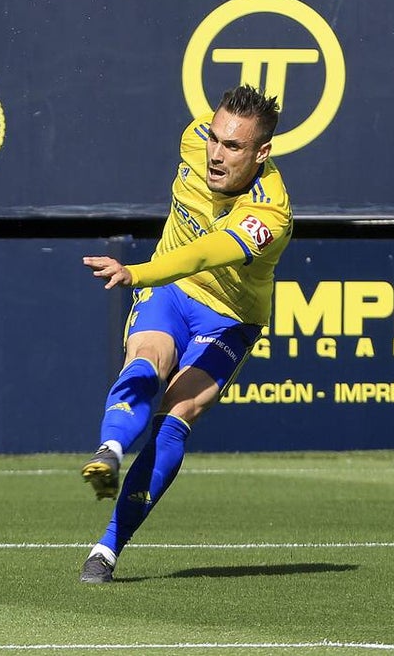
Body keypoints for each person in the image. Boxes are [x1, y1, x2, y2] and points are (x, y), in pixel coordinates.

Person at [77, 85, 292, 584]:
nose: (216, 153)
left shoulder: (270, 214)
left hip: (230, 316)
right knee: (147, 360)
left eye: (233, 146)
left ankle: (107, 548)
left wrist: (136, 271)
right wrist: (150, 278)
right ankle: (109, 451)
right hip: (172, 292)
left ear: (262, 152)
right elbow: (185, 266)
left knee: (178, 414)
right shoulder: (193, 137)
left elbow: (203, 254)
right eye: (215, 138)